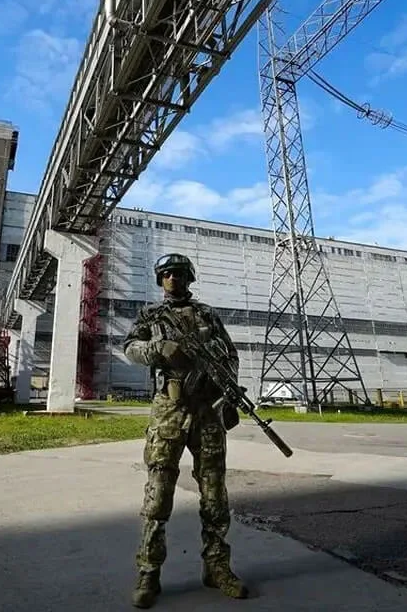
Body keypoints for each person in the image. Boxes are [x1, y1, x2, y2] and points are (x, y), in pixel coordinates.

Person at [122, 253, 249, 608]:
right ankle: (149, 572)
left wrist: (229, 396)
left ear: (190, 278)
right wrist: (155, 349)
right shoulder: (151, 315)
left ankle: (217, 567)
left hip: (207, 411)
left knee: (214, 495)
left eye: (178, 274)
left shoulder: (208, 314)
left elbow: (230, 357)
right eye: (166, 274)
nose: (173, 279)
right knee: (158, 494)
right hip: (169, 412)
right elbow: (128, 347)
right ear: (160, 280)